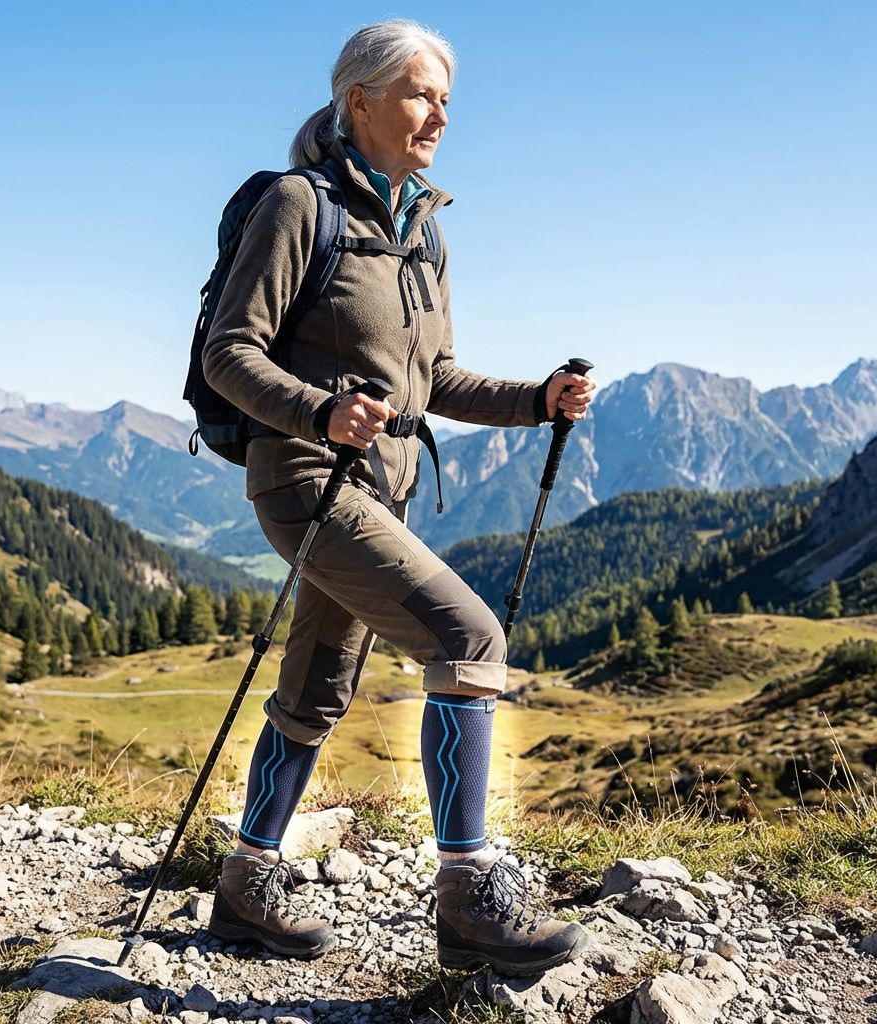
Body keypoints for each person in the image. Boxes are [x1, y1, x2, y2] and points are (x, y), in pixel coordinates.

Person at [201, 19, 597, 977]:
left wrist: (535, 401)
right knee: (469, 642)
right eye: (421, 94)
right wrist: (321, 411)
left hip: (384, 489)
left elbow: (437, 382)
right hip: (304, 481)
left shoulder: (426, 230)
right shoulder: (302, 206)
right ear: (359, 101)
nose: (439, 115)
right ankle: (469, 898)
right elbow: (229, 354)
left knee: (315, 690)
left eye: (447, 100)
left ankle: (247, 882)